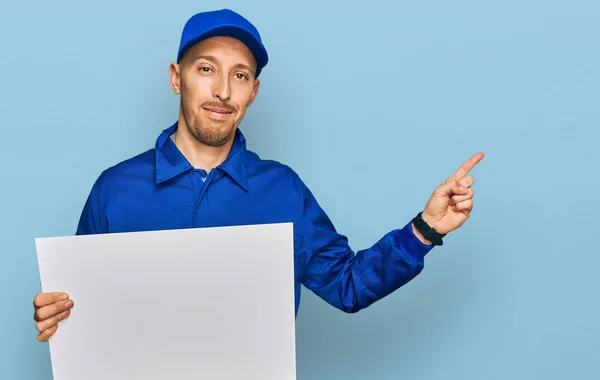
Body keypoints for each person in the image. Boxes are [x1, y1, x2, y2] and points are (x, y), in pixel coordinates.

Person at [32, 8, 484, 342]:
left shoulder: (282, 190)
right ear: (177, 77)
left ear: (254, 91)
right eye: (206, 69)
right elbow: (81, 306)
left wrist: (425, 229)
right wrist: (57, 313)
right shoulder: (114, 190)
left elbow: (348, 285)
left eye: (240, 75)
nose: (222, 91)